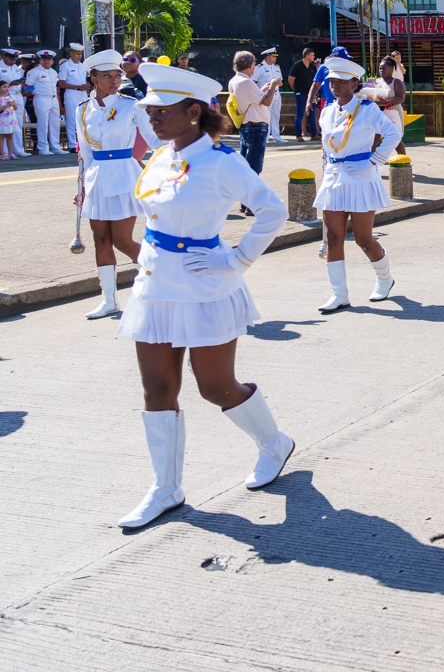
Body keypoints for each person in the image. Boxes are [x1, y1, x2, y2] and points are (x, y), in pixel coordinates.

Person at [115, 62, 294, 530]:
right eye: (149, 108)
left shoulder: (222, 162)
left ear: (193, 111)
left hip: (204, 283)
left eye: (162, 110)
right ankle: (166, 488)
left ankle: (274, 443)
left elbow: (272, 211)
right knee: (157, 388)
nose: (151, 116)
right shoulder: (159, 156)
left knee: (215, 387)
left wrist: (235, 260)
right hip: (156, 284)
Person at [75, 49, 162, 318]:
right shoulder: (82, 110)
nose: (114, 80)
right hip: (98, 177)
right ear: (93, 79)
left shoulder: (130, 105)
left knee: (123, 241)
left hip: (124, 174)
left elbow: (155, 139)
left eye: (117, 75)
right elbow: (85, 155)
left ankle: (163, 279)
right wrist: (82, 188)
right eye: (107, 76)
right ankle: (109, 299)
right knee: (100, 239)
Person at [314, 55, 399, 313]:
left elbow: (393, 134)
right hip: (335, 178)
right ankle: (339, 294)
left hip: (361, 177)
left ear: (354, 83)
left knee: (363, 239)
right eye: (331, 81)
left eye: (341, 81)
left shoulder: (367, 110)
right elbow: (326, 145)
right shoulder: (327, 113)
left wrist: (373, 162)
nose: (334, 85)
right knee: (333, 237)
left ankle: (385, 279)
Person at [229, 51, 278, 176]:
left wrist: (262, 90)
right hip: (256, 127)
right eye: (254, 64)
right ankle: (250, 192)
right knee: (253, 167)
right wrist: (273, 86)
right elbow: (266, 101)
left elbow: (249, 99)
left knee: (245, 163)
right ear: (250, 64)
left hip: (246, 126)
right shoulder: (246, 82)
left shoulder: (234, 81)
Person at [25, 48, 61, 155]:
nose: (47, 61)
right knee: (43, 123)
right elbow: (27, 87)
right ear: (40, 60)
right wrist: (32, 93)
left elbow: (56, 87)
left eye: (49, 59)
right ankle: (43, 147)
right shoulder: (34, 72)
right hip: (41, 98)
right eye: (44, 59)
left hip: (53, 98)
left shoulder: (54, 72)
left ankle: (55, 146)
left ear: (52, 61)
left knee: (55, 122)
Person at [57, 42, 89, 153]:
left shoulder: (83, 66)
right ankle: (72, 144)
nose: (79, 56)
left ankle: (83, 142)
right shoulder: (65, 66)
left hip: (83, 93)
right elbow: (61, 83)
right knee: (71, 119)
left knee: (83, 119)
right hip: (72, 93)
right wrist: (78, 86)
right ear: (71, 53)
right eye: (76, 54)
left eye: (80, 54)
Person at [375, 56, 407, 157]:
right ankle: (369, 163)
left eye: (384, 68)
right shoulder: (378, 82)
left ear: (391, 69)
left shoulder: (396, 82)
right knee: (374, 137)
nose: (381, 70)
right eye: (380, 68)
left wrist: (387, 102)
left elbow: (401, 98)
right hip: (380, 114)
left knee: (396, 139)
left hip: (394, 114)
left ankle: (404, 163)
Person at [255, 48, 285, 144]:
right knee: (266, 116)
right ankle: (266, 136)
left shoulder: (276, 67)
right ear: (268, 56)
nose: (275, 58)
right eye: (273, 56)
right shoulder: (259, 68)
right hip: (266, 94)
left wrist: (278, 83)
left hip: (276, 94)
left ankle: (277, 136)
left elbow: (281, 81)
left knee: (276, 115)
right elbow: (254, 82)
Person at [288, 47, 318, 142]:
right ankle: (298, 135)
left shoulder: (313, 67)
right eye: (312, 55)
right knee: (300, 113)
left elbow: (315, 82)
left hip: (311, 94)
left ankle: (314, 134)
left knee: (312, 114)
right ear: (307, 55)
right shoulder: (297, 66)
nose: (314, 57)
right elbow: (291, 80)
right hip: (300, 93)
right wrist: (296, 90)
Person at [0, 48, 26, 156]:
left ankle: (17, 150)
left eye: (15, 59)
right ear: (5, 56)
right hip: (3, 97)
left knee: (17, 123)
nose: (13, 61)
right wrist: (11, 84)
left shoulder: (16, 68)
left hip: (17, 96)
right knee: (4, 125)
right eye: (11, 59)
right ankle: (4, 151)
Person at [0, 79, 16, 159]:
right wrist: (6, 106)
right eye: (4, 87)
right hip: (2, 120)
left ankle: (11, 153)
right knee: (1, 137)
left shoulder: (10, 96)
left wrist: (13, 104)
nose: (7, 89)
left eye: (8, 87)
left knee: (10, 136)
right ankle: (2, 154)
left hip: (10, 119)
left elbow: (16, 108)